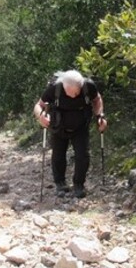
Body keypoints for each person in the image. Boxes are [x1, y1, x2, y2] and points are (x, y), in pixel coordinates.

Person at [33, 70, 107, 198]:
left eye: (77, 92)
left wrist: (100, 115)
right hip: (58, 127)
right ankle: (60, 184)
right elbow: (39, 105)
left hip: (81, 127)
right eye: (71, 92)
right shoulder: (54, 88)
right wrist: (41, 117)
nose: (74, 95)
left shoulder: (88, 86)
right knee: (58, 155)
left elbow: (97, 99)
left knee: (82, 156)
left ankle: (79, 185)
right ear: (63, 86)